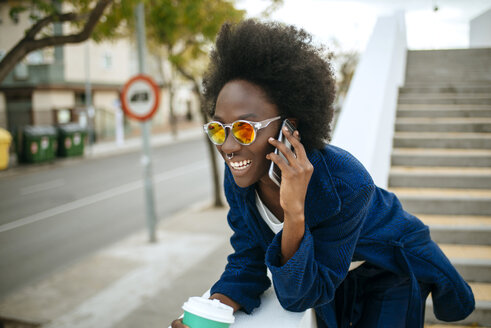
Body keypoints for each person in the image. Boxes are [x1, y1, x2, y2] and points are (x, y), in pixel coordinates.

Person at [171, 19, 475, 328]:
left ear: (289, 127)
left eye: (245, 129)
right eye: (219, 130)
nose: (229, 147)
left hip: (389, 267)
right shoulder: (240, 179)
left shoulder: (345, 181)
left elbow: (301, 296)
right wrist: (207, 312)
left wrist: (294, 211)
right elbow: (247, 260)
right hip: (340, 276)